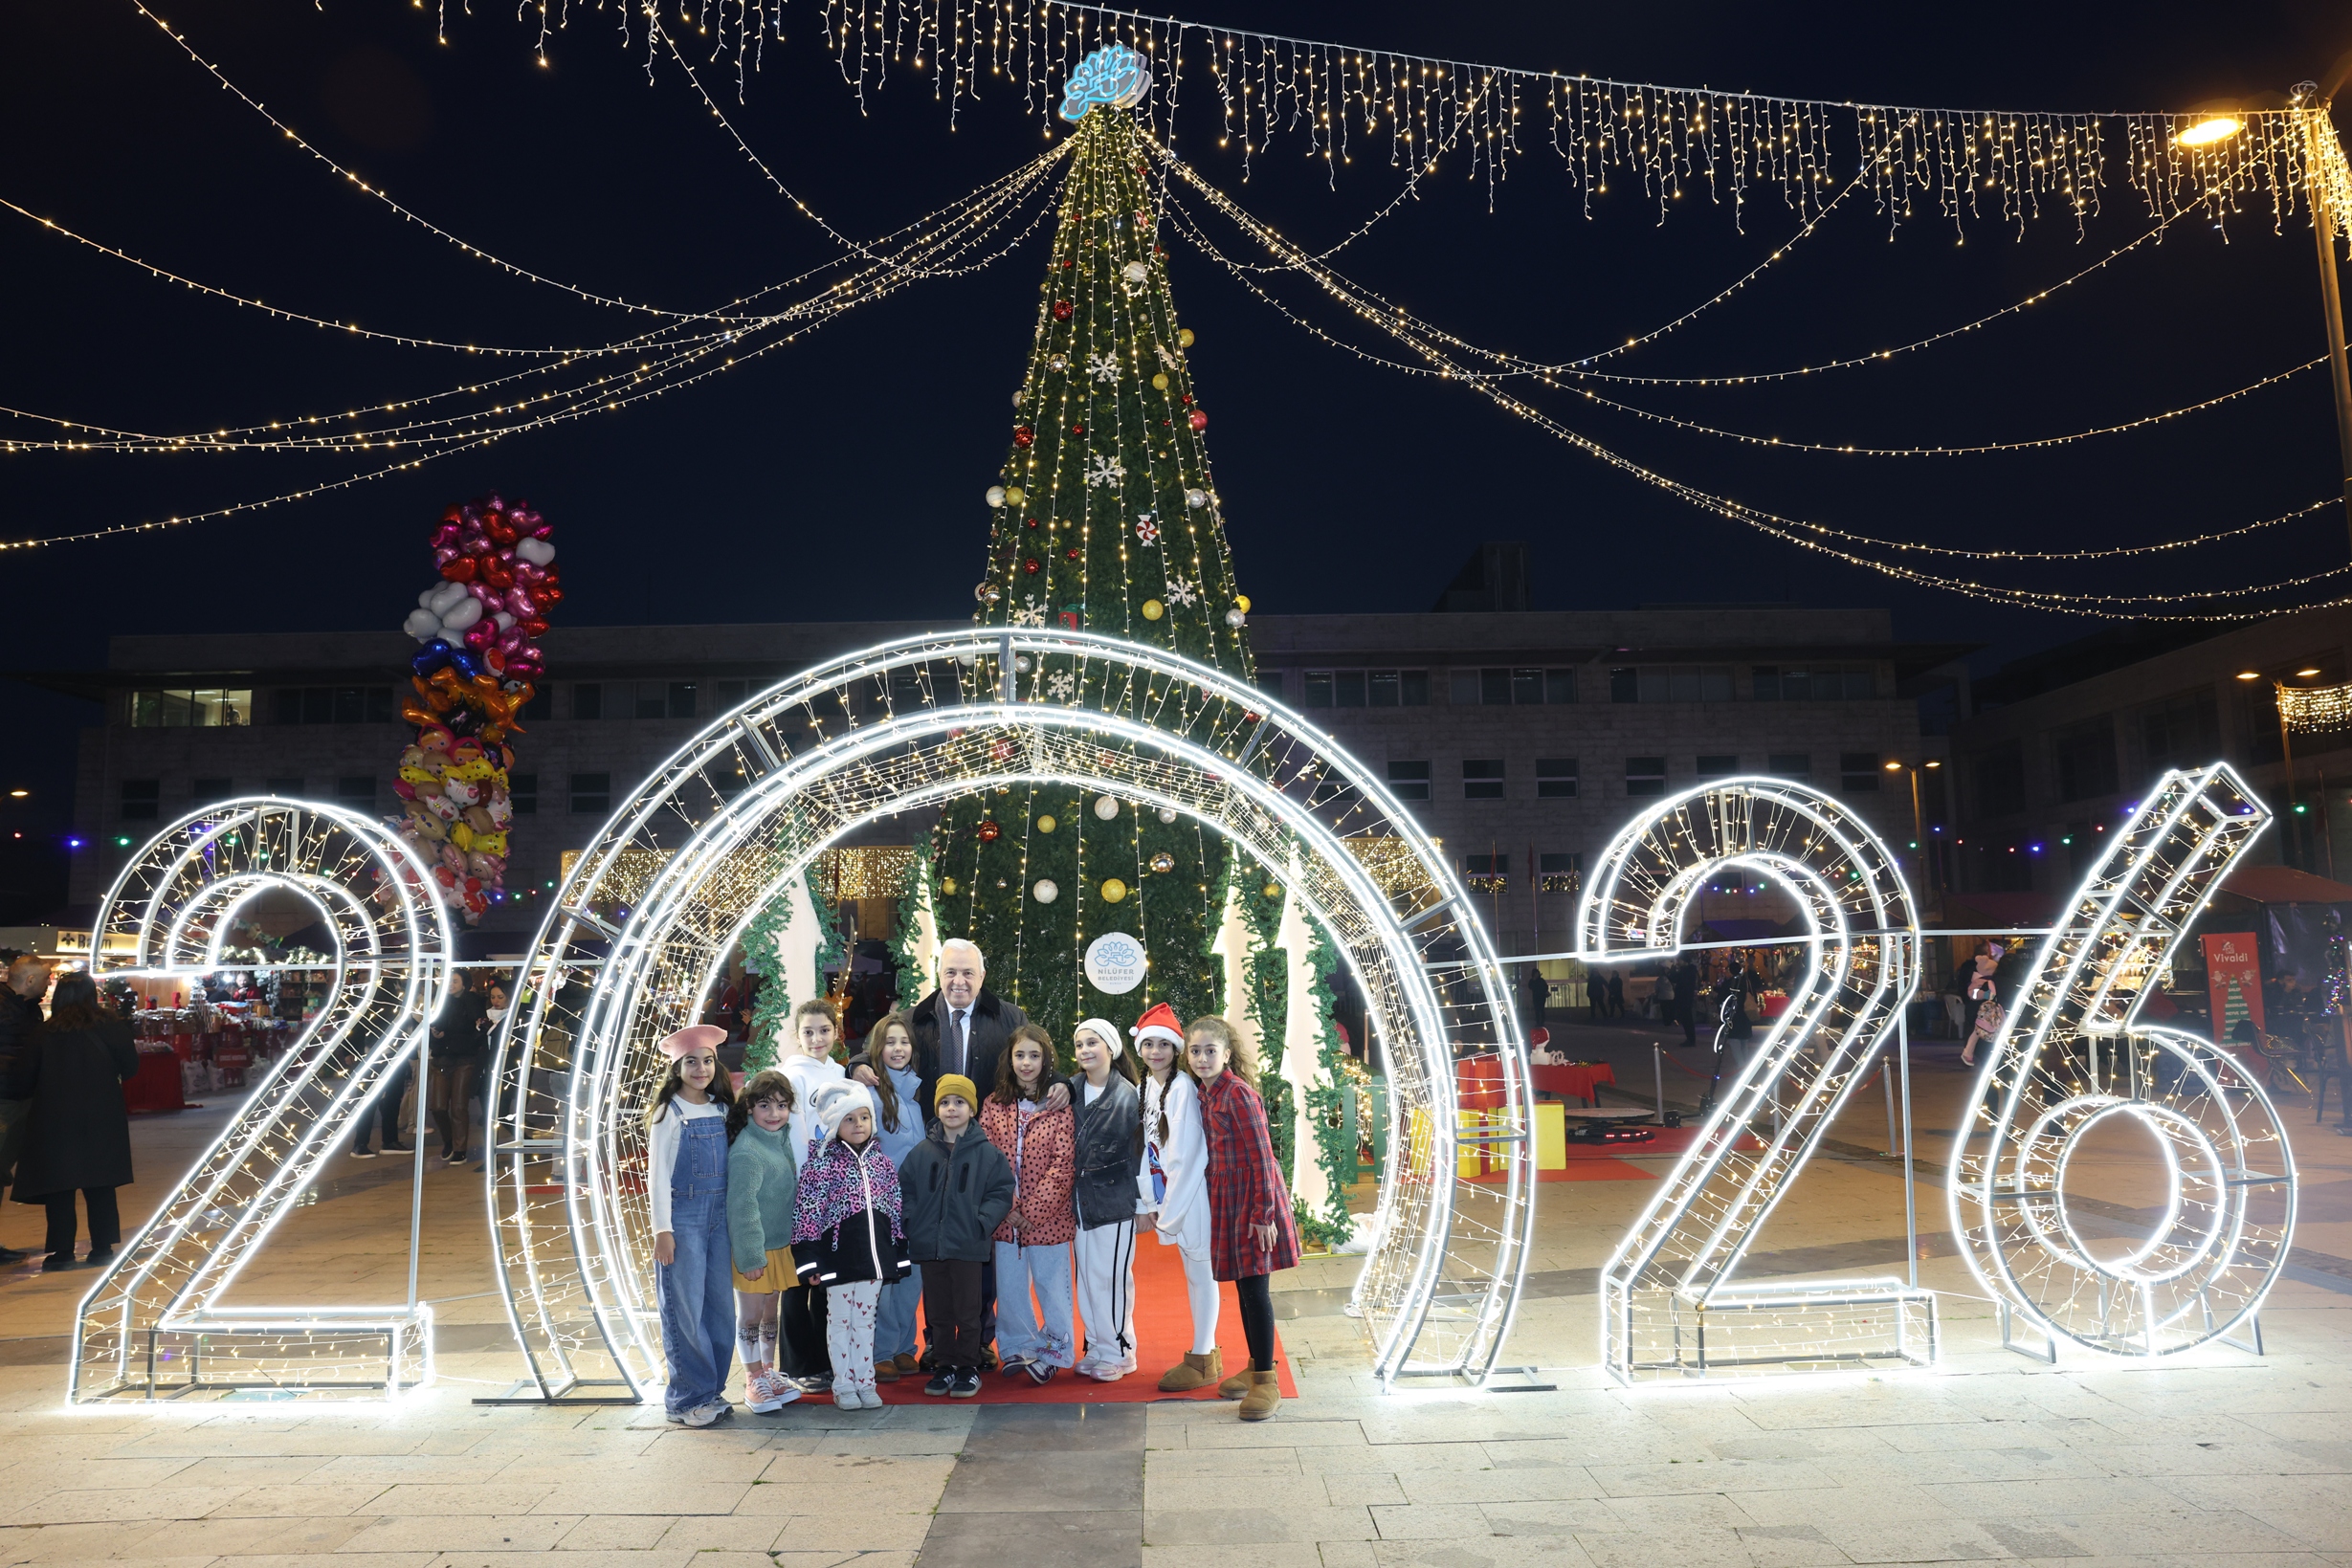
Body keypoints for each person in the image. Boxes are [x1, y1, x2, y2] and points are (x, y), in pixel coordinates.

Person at [1187, 1014, 1299, 1423]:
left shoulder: (1238, 1094)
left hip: (1253, 1201)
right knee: (1243, 1287)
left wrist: (1263, 1214)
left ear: (1227, 1054)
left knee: (1255, 1290)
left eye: (1210, 1051)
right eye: (1195, 1051)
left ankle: (1267, 1380)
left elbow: (1263, 1158)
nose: (1202, 1058)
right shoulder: (1205, 1093)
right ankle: (1255, 1367)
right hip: (1228, 1199)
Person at [5, 972, 138, 1272]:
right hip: (103, 1114)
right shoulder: (112, 1027)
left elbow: (24, 1077)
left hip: (54, 1117)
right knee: (100, 1183)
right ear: (92, 995)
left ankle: (62, 1252)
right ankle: (102, 1248)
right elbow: (130, 1067)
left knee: (59, 1187)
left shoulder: (45, 1032)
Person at [790, 1081, 909, 1411]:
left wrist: (898, 1253)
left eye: (864, 1117)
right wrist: (809, 1260)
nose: (859, 1125)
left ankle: (865, 1382)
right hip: (838, 1260)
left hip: (874, 1260)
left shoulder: (882, 1164)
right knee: (840, 1321)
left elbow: (894, 1209)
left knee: (866, 1321)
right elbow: (807, 1214)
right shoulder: (822, 1164)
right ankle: (843, 1384)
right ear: (834, 1124)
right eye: (849, 1119)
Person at [897, 1073, 1013, 1398]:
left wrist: (981, 1223)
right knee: (938, 1311)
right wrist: (912, 1221)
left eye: (959, 1102)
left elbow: (1001, 1191)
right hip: (929, 1246)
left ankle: (968, 1366)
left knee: (968, 1310)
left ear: (972, 1109)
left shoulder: (987, 1154)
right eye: (945, 1102)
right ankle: (945, 1363)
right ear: (937, 1108)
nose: (952, 1108)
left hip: (968, 1245)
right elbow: (905, 1189)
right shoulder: (922, 1152)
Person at [647, 1024, 738, 1427]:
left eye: (707, 1061)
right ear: (677, 1068)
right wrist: (662, 1230)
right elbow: (657, 1176)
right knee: (685, 1308)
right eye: (691, 1062)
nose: (701, 1069)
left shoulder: (722, 1109)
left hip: (719, 1221)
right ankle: (686, 1399)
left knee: (720, 1308)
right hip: (682, 1221)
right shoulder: (669, 1113)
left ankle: (711, 1389)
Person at [981, 1024, 1076, 1384]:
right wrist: (1010, 1207)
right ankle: (1018, 1345)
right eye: (1019, 1055)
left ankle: (1054, 1350)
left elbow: (1063, 1165)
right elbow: (986, 1157)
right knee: (1010, 1287)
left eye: (1034, 1056)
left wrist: (1032, 1211)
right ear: (1009, 1059)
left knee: (1053, 1288)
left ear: (1045, 1059)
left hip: (1048, 1219)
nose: (1026, 1063)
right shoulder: (994, 1104)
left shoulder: (1058, 1106)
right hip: (1006, 1219)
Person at [1132, 1001, 1219, 1392]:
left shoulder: (1181, 1087)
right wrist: (1150, 1202)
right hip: (1170, 1195)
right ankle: (1205, 1351)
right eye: (1149, 1044)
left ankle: (1203, 1358)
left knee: (1202, 1274)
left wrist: (1169, 1212)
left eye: (1163, 1045)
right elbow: (1150, 1149)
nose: (1155, 1052)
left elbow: (1188, 1156)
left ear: (1175, 1049)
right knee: (1193, 1275)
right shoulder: (1147, 1086)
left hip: (1190, 1197)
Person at [776, 998, 847, 1390]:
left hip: (836, 1192)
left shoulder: (842, 1073)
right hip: (801, 1191)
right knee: (797, 1280)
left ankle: (826, 1360)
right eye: (808, 1032)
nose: (817, 1038)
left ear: (836, 1031)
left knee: (828, 1280)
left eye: (824, 1030)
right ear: (797, 1035)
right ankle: (797, 1364)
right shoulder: (789, 1076)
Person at [725, 1068, 803, 1415]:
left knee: (771, 1313)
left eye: (782, 1106)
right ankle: (752, 1379)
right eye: (765, 1106)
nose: (775, 1114)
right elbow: (742, 1208)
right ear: (749, 1107)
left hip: (777, 1247)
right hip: (754, 1251)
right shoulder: (747, 1151)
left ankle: (768, 1372)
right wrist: (751, 1256)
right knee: (751, 1316)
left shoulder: (779, 1140)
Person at [1070, 1016, 1144, 1380]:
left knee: (1112, 1278)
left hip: (1115, 1202)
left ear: (1111, 1049)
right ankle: (1097, 1346)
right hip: (1080, 1203)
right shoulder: (1069, 1089)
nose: (1085, 1050)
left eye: (1092, 1043)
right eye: (1079, 1044)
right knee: (1087, 1278)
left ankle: (1120, 1352)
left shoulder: (1127, 1096)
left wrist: (1143, 1205)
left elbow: (1140, 1155)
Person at [864, 1010, 929, 1381]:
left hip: (916, 1204)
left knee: (912, 1277)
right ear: (877, 1048)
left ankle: (905, 1347)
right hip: (882, 1205)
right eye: (890, 1042)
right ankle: (882, 1351)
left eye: (904, 1041)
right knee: (887, 1280)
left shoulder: (915, 1099)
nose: (898, 1048)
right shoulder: (869, 1096)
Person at [0, 950, 55, 1265]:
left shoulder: (29, 1010)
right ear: (31, 979)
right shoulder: (7, 1007)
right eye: (46, 978)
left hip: (19, 1098)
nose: (49, 983)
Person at [427, 972, 489, 1164]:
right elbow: (431, 1025)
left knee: (459, 1107)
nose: (450, 984)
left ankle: (460, 1148)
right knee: (437, 1107)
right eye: (448, 981)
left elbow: (477, 1029)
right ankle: (449, 1141)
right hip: (441, 1058)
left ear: (464, 984)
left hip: (464, 1058)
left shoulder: (473, 1002)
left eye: (455, 981)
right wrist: (435, 1035)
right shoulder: (439, 1001)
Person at [1962, 977, 2006, 1070]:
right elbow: (1972, 994)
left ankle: (1969, 1052)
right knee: (1980, 1030)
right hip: (1985, 1012)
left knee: (1980, 1031)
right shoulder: (1984, 981)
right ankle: (1969, 1052)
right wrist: (1984, 994)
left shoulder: (1986, 980)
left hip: (1987, 1012)